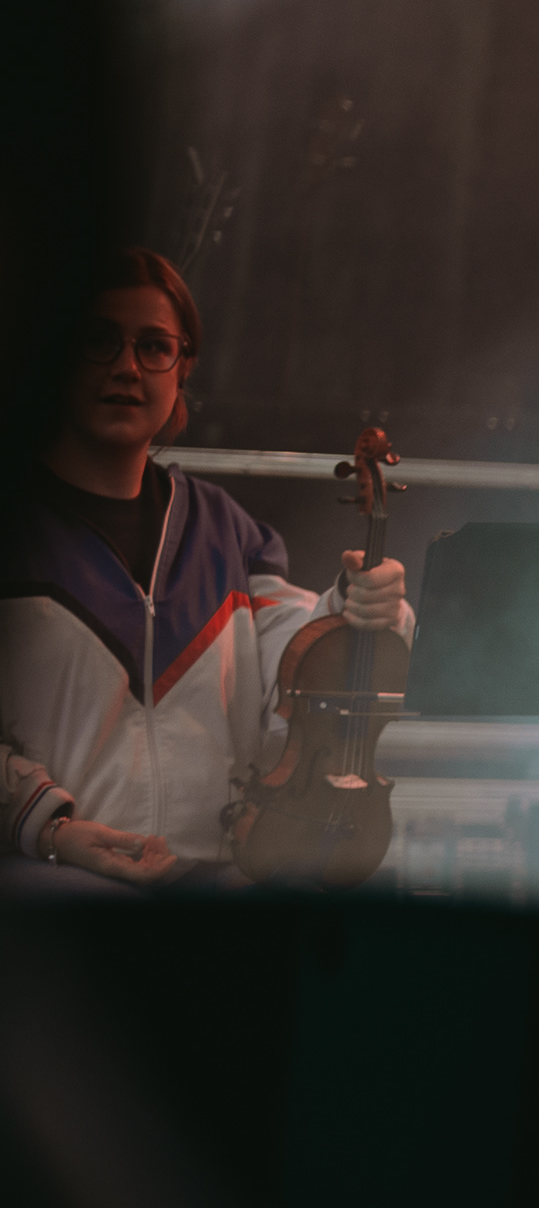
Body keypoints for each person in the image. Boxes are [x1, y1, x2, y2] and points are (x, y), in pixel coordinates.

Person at [3, 249, 408, 888]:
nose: (127, 368)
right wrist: (47, 827)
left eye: (154, 347)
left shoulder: (225, 531)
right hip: (53, 870)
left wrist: (362, 604)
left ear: (183, 367)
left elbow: (297, 669)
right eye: (100, 341)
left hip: (213, 868)